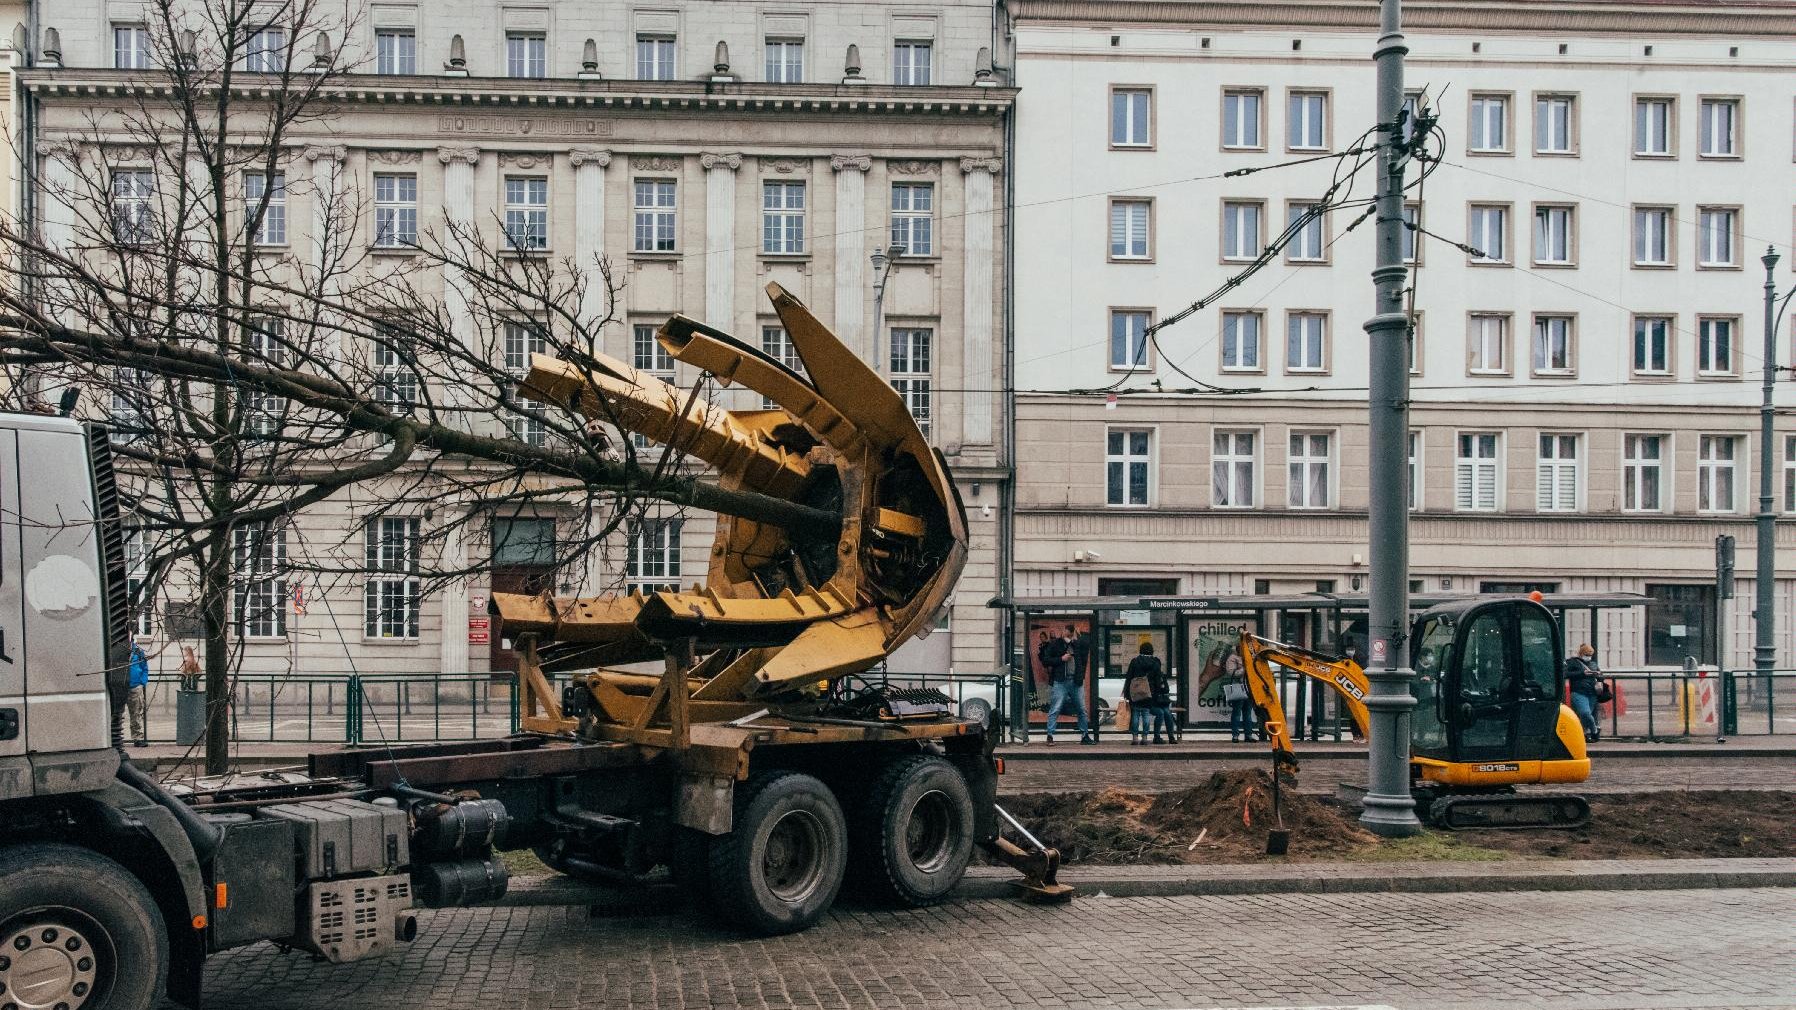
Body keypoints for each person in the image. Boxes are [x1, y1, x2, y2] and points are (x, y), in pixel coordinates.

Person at [1043, 627, 1091, 745]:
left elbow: (1087, 647)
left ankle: (1085, 735)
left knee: (1081, 709)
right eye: (1066, 632)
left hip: (1076, 681)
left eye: (1069, 633)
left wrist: (1076, 638)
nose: (1066, 634)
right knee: (1055, 708)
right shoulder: (1056, 644)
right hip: (1061, 681)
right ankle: (1050, 735)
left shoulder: (1077, 644)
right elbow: (1046, 660)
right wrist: (1061, 659)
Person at [1122, 642, 1160, 744]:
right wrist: (1155, 694)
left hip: (1136, 692)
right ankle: (1145, 737)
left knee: (1135, 715)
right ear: (1151, 650)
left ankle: (1135, 737)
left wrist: (1127, 693)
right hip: (1148, 693)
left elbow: (1129, 677)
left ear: (1141, 650)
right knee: (1146, 714)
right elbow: (1157, 681)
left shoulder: (1135, 662)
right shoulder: (1155, 663)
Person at [1565, 643, 1602, 742]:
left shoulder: (1593, 664)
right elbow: (1565, 674)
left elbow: (1600, 677)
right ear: (1581, 654)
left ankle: (1585, 735)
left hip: (1592, 693)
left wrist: (1598, 675)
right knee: (1585, 713)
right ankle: (1594, 730)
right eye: (1586, 654)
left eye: (1590, 655)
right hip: (1579, 691)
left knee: (1586, 716)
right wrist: (1582, 673)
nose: (1588, 657)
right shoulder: (1573, 662)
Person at [1223, 652, 1256, 743]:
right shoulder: (1233, 658)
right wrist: (1245, 668)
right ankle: (1235, 735)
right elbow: (1231, 673)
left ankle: (1248, 735)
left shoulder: (1250, 656)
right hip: (1238, 688)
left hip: (1249, 689)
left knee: (1248, 713)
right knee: (1237, 713)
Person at [127, 640, 150, 747]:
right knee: (116, 714)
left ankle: (137, 738)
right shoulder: (117, 649)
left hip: (135, 686)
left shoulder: (138, 651)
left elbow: (144, 667)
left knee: (136, 713)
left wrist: (142, 682)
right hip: (120, 686)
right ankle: (115, 738)